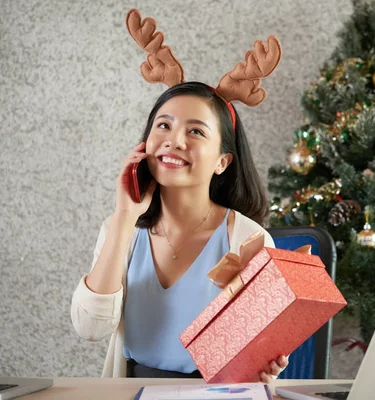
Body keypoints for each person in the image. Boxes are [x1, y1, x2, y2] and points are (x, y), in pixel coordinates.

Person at [70, 9, 287, 382]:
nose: (174, 139)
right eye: (164, 125)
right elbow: (90, 329)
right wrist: (125, 216)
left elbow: (258, 358)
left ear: (222, 161)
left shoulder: (251, 241)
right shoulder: (119, 229)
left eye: (196, 131)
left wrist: (264, 367)